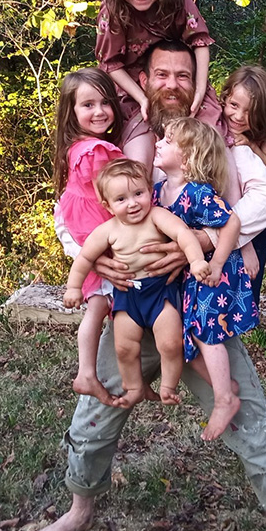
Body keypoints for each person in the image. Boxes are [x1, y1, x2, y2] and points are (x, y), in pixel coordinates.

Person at [32, 41, 266, 531]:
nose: (172, 83)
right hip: (132, 312)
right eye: (161, 74)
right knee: (95, 414)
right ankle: (80, 507)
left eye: (183, 73)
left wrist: (195, 242)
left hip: (199, 317)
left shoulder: (219, 142)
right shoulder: (123, 141)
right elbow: (77, 208)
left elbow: (260, 204)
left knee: (251, 424)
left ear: (195, 82)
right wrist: (94, 259)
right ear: (144, 81)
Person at [63, 158, 210, 407]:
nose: (132, 203)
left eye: (138, 193)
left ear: (149, 191)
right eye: (121, 199)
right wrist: (73, 287)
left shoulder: (156, 216)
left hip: (159, 291)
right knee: (124, 348)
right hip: (128, 295)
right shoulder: (107, 230)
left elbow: (183, 234)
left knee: (170, 344)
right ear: (107, 205)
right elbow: (86, 257)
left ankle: (168, 387)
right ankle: (133, 388)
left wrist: (195, 261)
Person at [153, 117, 258, 440]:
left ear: (187, 157)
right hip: (189, 277)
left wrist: (218, 263)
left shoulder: (197, 193)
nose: (157, 143)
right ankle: (226, 386)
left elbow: (231, 224)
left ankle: (224, 399)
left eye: (167, 141)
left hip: (215, 273)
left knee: (203, 332)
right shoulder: (158, 193)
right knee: (186, 340)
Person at [95, 0, 224, 166]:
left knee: (212, 139)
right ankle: (144, 198)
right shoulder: (112, 10)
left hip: (177, 77)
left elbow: (200, 39)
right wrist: (142, 98)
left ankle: (221, 200)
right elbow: (110, 64)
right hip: (134, 87)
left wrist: (200, 88)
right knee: (138, 154)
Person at [53, 68, 124, 401]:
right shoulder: (94, 151)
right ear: (71, 111)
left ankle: (91, 373)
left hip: (84, 223)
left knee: (99, 304)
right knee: (97, 306)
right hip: (96, 227)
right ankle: (86, 373)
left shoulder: (79, 146)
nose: (99, 111)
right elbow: (113, 197)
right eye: (88, 105)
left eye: (105, 102)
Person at [220, 65, 266, 301]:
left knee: (257, 240)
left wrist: (249, 145)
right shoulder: (217, 114)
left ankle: (250, 301)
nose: (239, 117)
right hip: (237, 178)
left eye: (250, 111)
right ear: (225, 97)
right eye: (233, 105)